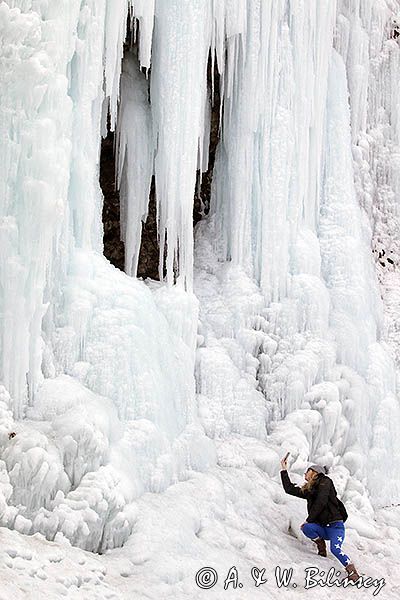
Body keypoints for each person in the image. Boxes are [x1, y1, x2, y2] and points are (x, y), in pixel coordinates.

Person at [280, 454, 360, 582]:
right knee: (306, 528)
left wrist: (309, 519)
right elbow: (289, 489)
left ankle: (352, 570)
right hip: (324, 528)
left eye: (307, 472)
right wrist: (284, 470)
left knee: (335, 549)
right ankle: (321, 545)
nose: (304, 475)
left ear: (314, 472)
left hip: (335, 527)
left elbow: (321, 501)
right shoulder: (310, 490)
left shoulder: (325, 481)